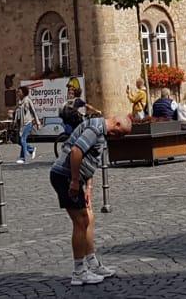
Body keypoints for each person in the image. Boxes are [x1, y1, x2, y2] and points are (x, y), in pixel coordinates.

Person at [49, 115, 133, 286]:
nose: (119, 138)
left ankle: (92, 263)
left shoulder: (101, 132)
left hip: (74, 178)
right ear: (116, 124)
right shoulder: (95, 129)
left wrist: (88, 187)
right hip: (65, 176)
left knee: (89, 217)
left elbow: (90, 159)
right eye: (120, 134)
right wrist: (74, 180)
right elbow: (76, 151)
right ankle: (79, 272)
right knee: (80, 221)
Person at [14, 86, 41, 164]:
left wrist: (38, 122)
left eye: (19, 92)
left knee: (23, 140)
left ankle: (24, 157)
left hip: (27, 123)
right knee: (19, 141)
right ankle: (31, 149)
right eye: (18, 92)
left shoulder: (28, 100)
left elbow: (33, 111)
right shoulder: (19, 101)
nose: (18, 93)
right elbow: (17, 113)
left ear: (23, 92)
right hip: (21, 124)